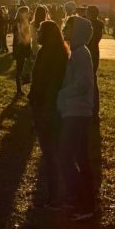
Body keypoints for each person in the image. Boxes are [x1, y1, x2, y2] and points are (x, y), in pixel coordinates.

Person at [57, 15, 96, 220]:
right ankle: (82, 200)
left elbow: (83, 84)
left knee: (66, 156)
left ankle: (82, 199)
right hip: (74, 110)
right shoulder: (77, 52)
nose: (64, 29)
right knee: (79, 157)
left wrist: (61, 94)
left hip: (77, 112)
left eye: (68, 27)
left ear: (77, 31)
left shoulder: (81, 54)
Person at [29, 19, 68, 208]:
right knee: (55, 151)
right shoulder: (61, 51)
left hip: (46, 106)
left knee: (50, 153)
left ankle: (55, 195)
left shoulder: (47, 53)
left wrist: (39, 101)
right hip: (53, 106)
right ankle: (60, 191)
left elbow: (45, 81)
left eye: (40, 31)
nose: (37, 34)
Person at [13, 6, 33, 96]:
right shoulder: (21, 24)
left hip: (21, 48)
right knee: (20, 69)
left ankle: (20, 88)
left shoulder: (22, 22)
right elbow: (22, 38)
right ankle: (19, 89)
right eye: (27, 12)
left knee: (21, 68)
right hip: (21, 48)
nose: (29, 14)